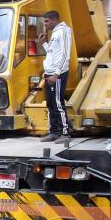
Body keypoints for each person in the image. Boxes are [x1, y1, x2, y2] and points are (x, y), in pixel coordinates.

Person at [38, 10, 72, 141]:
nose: (45, 24)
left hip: (57, 74)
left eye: (46, 21)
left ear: (54, 20)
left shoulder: (63, 31)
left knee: (58, 103)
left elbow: (65, 54)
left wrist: (57, 74)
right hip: (49, 73)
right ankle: (54, 131)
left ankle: (65, 133)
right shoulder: (55, 33)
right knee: (50, 103)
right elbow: (52, 53)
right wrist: (44, 44)